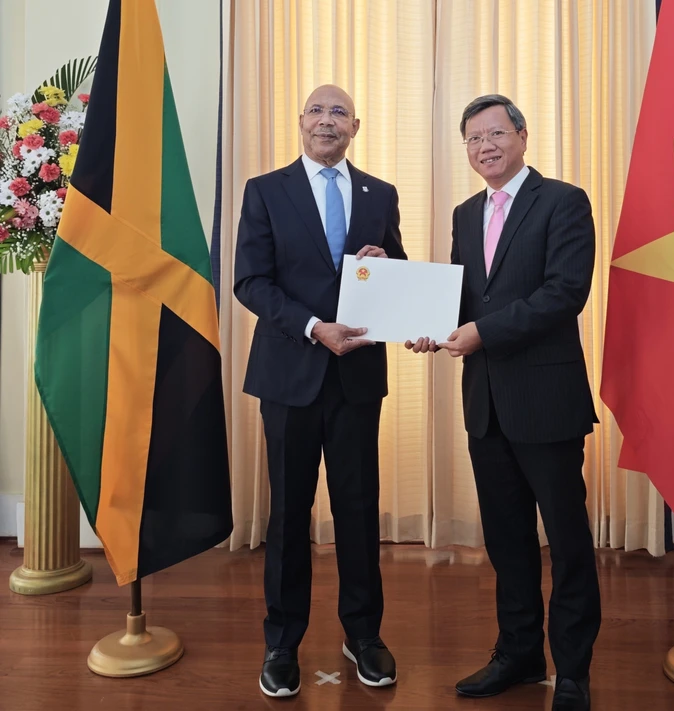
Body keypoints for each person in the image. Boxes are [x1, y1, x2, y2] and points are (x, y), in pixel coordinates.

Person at [407, 94, 600, 711]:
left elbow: (564, 293)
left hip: (546, 401)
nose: (484, 146)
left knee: (567, 541)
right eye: (472, 139)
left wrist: (481, 332)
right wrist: (428, 322)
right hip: (485, 403)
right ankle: (518, 653)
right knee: (506, 540)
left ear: (522, 134)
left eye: (494, 133)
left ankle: (571, 669)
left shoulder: (564, 201)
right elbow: (468, 298)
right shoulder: (466, 213)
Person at [235, 84, 406, 698]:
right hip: (289, 374)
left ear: (355, 126)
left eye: (339, 112)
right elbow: (249, 282)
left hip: (357, 377)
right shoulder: (265, 191)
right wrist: (312, 327)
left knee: (359, 511)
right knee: (287, 515)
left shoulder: (380, 193)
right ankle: (282, 640)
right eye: (316, 110)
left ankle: (364, 634)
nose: (326, 120)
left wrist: (384, 260)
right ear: (300, 121)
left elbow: (398, 273)